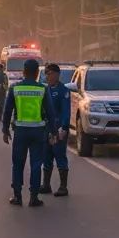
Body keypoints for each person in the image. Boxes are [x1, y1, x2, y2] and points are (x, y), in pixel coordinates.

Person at [1, 58, 57, 207]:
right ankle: (33, 197)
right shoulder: (43, 89)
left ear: (24, 72)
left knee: (18, 164)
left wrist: (5, 131)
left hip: (20, 132)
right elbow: (51, 113)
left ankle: (17, 196)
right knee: (36, 164)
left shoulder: (15, 88)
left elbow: (7, 112)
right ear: (37, 72)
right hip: (38, 132)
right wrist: (53, 133)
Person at [41, 62, 71, 196]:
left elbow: (66, 111)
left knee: (59, 156)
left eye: (49, 73)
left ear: (57, 75)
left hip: (58, 128)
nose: (47, 76)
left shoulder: (63, 90)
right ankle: (46, 184)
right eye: (46, 73)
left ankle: (63, 187)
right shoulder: (45, 90)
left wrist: (63, 128)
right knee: (46, 156)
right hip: (46, 129)